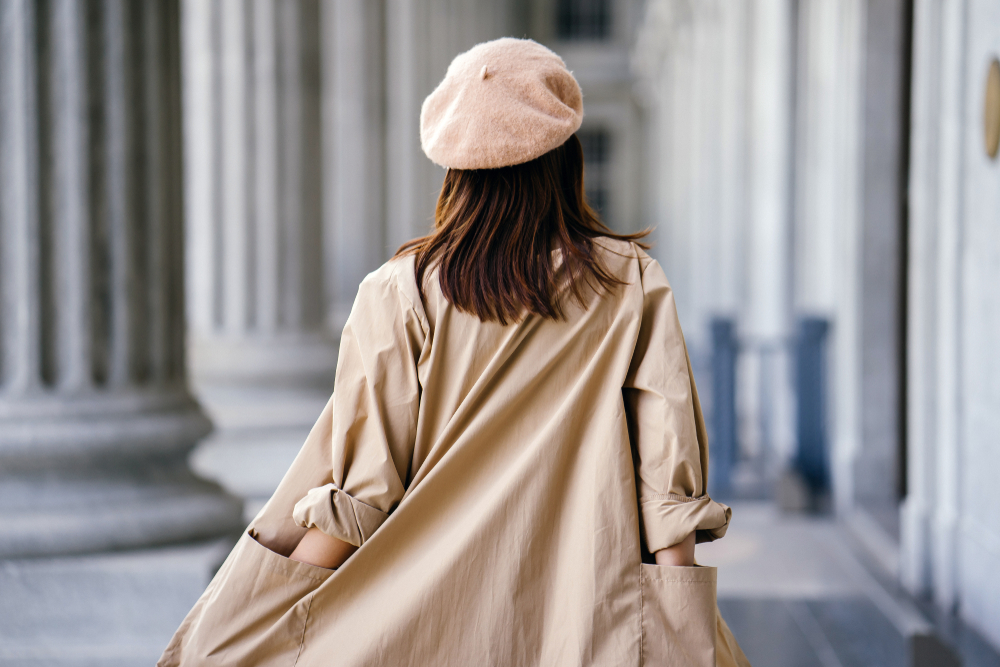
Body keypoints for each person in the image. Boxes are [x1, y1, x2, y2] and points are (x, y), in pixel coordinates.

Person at [160, 37, 748, 667]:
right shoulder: (629, 282)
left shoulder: (397, 292)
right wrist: (680, 623)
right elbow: (667, 480)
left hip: (426, 620)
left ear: (454, 168)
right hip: (583, 617)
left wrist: (267, 620)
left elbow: (364, 492)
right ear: (564, 159)